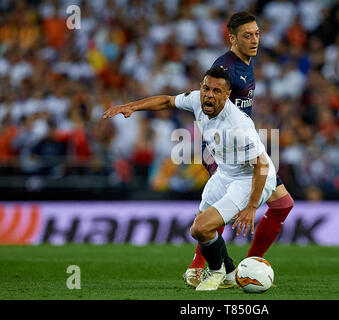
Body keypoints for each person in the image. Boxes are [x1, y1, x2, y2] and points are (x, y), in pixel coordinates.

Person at [103, 66, 278, 291]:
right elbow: (166, 101)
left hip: (250, 179)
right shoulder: (197, 100)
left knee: (201, 228)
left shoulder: (238, 125)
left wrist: (252, 206)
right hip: (225, 173)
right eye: (206, 88)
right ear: (200, 87)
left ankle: (215, 273)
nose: (209, 95)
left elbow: (262, 166)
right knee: (200, 228)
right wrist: (131, 107)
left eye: (216, 91)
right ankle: (230, 274)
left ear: (227, 95)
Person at [184, 12, 294, 288]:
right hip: (222, 149)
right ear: (232, 38)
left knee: (283, 204)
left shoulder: (245, 63)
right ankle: (201, 267)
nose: (254, 39)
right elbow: (209, 108)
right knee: (222, 203)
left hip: (241, 147)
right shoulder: (227, 70)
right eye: (247, 35)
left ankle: (246, 266)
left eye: (257, 33)